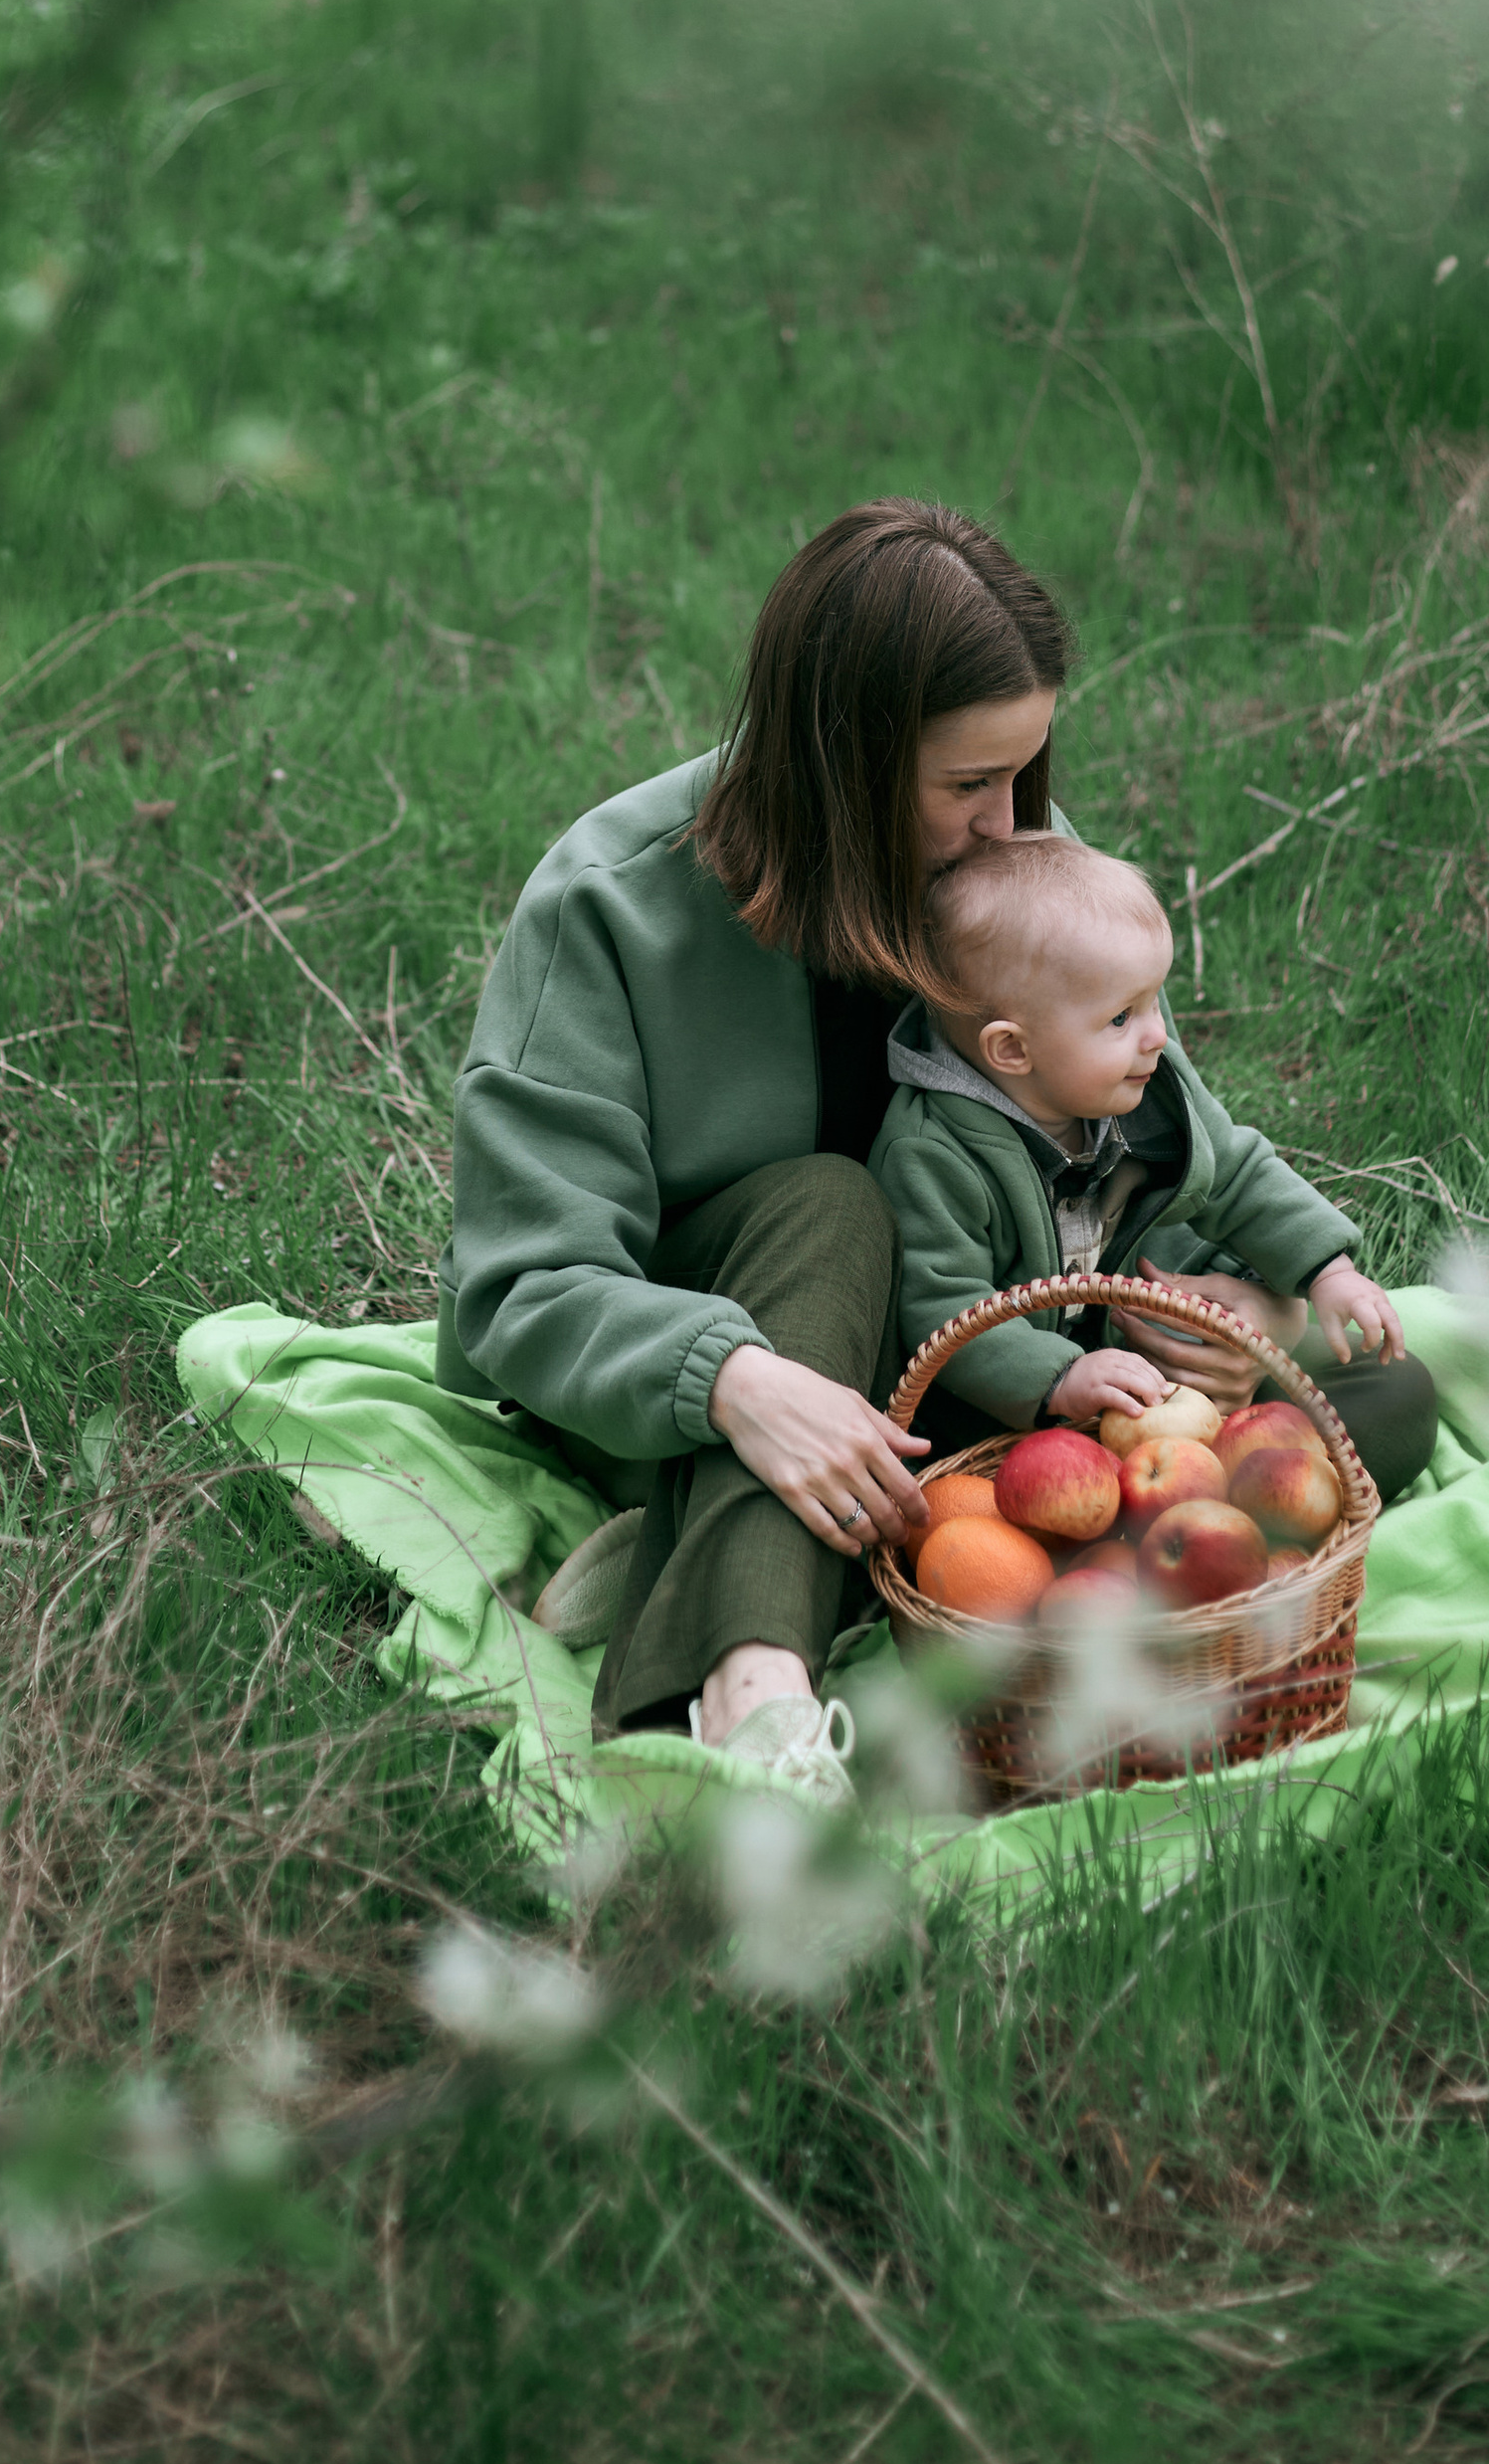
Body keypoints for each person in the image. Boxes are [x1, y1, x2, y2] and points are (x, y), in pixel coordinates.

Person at [441, 497, 1075, 1804]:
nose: (1012, 826)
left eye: (1024, 774)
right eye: (968, 786)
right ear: (842, 761)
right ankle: (751, 1685)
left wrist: (1201, 1279)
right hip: (672, 1365)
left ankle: (679, 1549)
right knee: (836, 1206)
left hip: (951, 1341)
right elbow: (517, 1290)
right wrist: (731, 1380)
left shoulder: (1007, 871)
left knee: (1373, 1412)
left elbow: (1126, 1115)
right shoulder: (609, 900)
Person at [872, 836, 1439, 1499]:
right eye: (1121, 1017)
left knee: (1395, 1392)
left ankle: (1226, 1497)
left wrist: (1327, 1271)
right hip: (1024, 1426)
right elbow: (943, 1306)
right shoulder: (932, 1152)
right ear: (1013, 1050)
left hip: (1170, 1377)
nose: (1157, 1035)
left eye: (1151, 1002)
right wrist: (1057, 1378)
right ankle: (1182, 1517)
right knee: (976, 1503)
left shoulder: (1148, 1085)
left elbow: (1236, 1169)